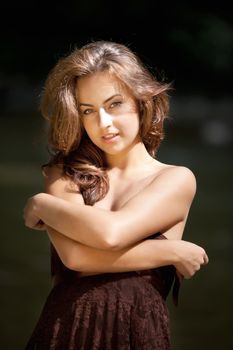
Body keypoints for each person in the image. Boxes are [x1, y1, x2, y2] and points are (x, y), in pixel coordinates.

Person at [23, 40, 208, 350]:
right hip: (65, 328)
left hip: (137, 332)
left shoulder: (175, 179)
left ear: (140, 101)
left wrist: (41, 205)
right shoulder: (63, 173)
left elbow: (111, 234)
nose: (103, 123)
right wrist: (171, 252)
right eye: (88, 111)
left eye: (114, 104)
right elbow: (76, 258)